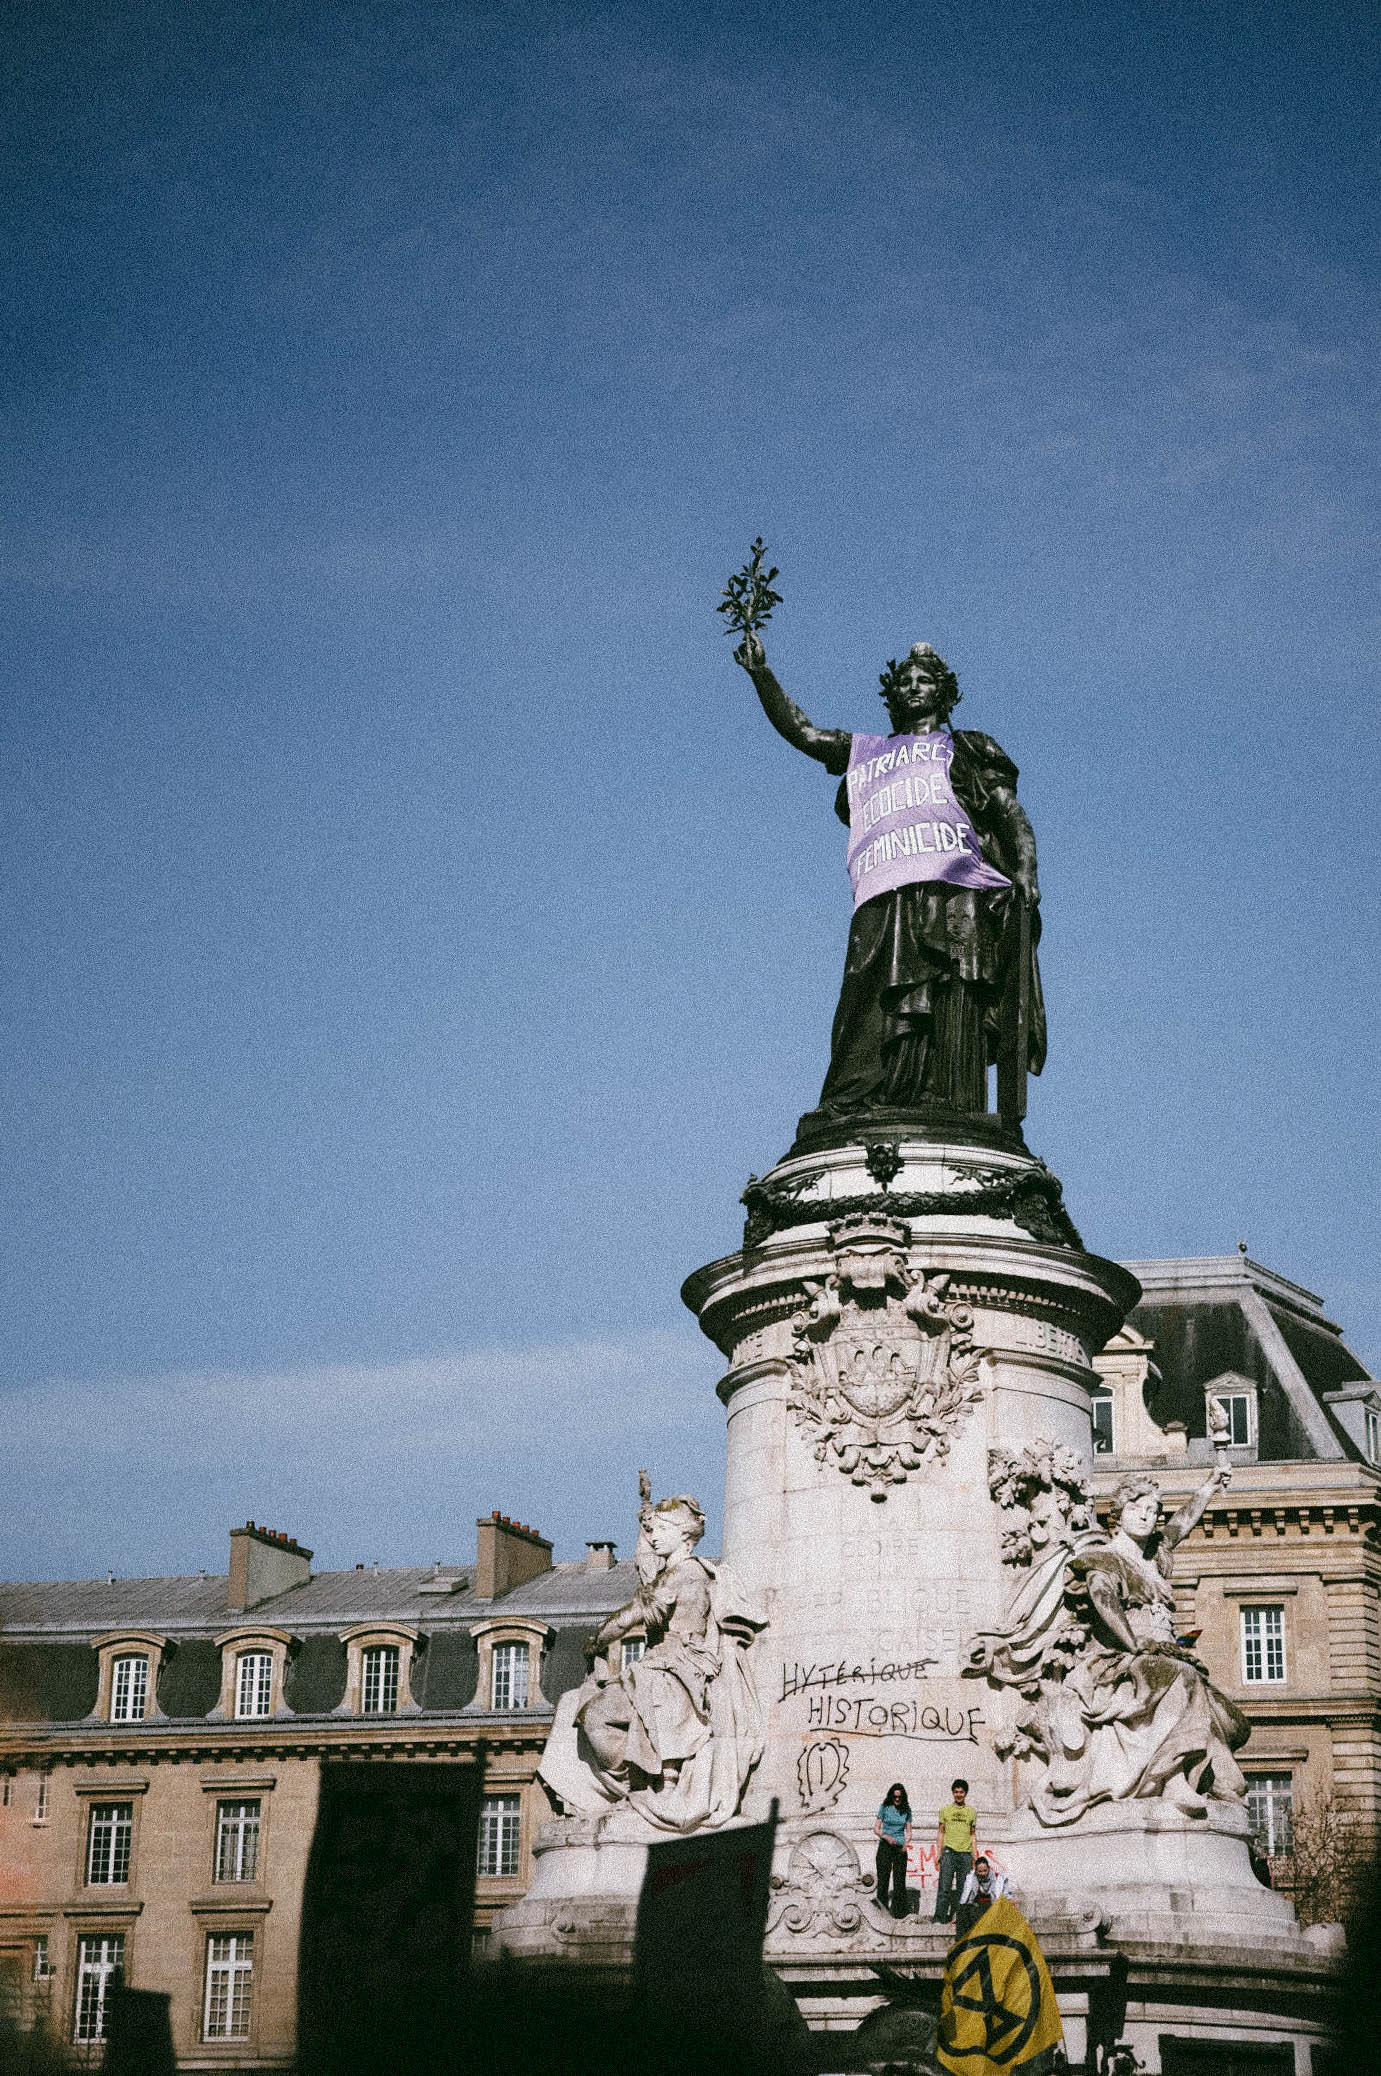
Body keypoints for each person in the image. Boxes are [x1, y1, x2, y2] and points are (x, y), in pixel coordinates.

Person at [737, 633, 1044, 1119]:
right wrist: (762, 674)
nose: (914, 686)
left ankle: (946, 1100)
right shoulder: (869, 754)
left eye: (925, 680)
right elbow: (806, 734)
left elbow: (1010, 815)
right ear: (892, 693)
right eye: (905, 681)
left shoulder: (967, 748)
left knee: (947, 992)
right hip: (885, 896)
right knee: (867, 995)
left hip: (955, 893)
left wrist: (1026, 868)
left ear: (944, 693)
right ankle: (862, 1095)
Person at [934, 1779, 978, 1924]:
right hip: (949, 1852)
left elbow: (972, 1834)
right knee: (944, 1887)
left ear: (966, 1793)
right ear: (953, 1793)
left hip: (965, 1853)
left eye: (961, 1792)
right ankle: (939, 1918)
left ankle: (960, 1918)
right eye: (956, 1792)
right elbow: (941, 1832)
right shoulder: (945, 1810)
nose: (958, 1795)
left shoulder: (971, 1812)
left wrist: (974, 1855)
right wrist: (938, 1853)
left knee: (963, 1888)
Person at [873, 1782, 913, 1919]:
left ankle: (899, 1913)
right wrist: (886, 1837)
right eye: (895, 1796)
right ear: (891, 1796)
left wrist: (906, 1844)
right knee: (883, 1880)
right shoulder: (884, 1808)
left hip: (900, 1849)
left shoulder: (906, 1810)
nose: (897, 1799)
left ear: (903, 1797)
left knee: (899, 1882)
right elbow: (876, 1828)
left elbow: (909, 1831)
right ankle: (882, 1913)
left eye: (899, 1797)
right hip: (885, 1846)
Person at [955, 1855, 1011, 1937]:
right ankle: (961, 1940)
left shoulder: (999, 1878)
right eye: (980, 1871)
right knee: (962, 1910)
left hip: (993, 1908)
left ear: (988, 1868)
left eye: (985, 1870)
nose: (983, 1874)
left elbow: (1006, 1897)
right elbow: (965, 1898)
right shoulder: (971, 1878)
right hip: (977, 1908)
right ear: (976, 1871)